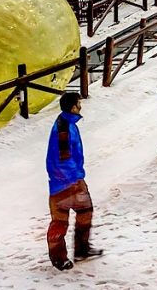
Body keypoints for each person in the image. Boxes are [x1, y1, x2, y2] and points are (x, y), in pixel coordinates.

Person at [46, 91, 102, 270]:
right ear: (73, 107)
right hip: (67, 182)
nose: (80, 106)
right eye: (79, 103)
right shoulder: (64, 129)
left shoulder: (67, 124)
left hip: (67, 180)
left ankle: (80, 250)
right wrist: (74, 180)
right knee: (61, 221)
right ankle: (60, 257)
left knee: (84, 212)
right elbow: (63, 158)